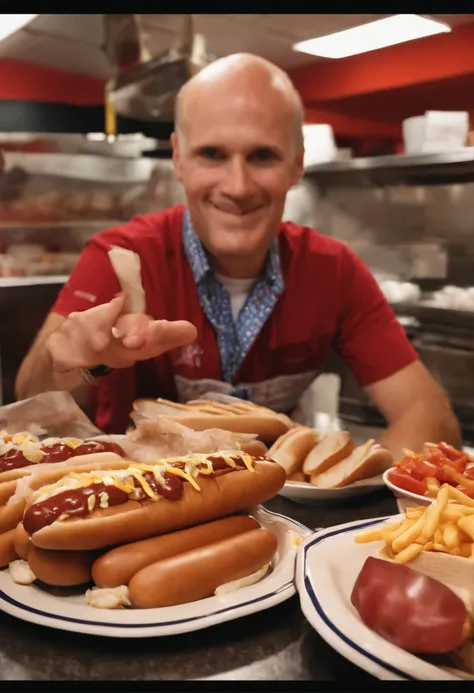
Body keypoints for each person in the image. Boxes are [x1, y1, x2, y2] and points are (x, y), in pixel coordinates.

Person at [15, 53, 460, 458]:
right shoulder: (124, 255)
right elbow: (31, 397)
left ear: (297, 165)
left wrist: (345, 480)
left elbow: (431, 416)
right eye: (212, 154)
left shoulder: (332, 269)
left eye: (263, 156)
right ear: (179, 159)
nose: (238, 186)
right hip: (136, 509)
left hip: (278, 515)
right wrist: (85, 361)